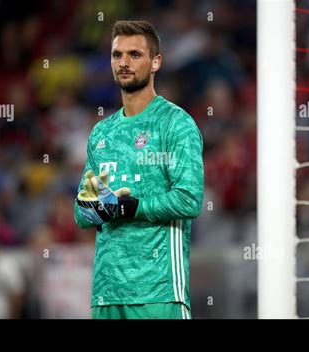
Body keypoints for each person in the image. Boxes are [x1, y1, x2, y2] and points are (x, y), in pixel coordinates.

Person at [74, 20, 204, 319]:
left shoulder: (175, 123)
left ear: (156, 61)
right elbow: (83, 212)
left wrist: (130, 207)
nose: (123, 62)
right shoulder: (102, 134)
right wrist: (104, 208)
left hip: (158, 291)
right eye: (117, 55)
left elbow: (189, 199)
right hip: (106, 294)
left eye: (134, 54)